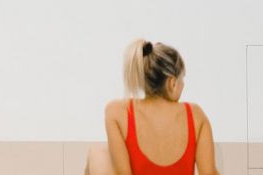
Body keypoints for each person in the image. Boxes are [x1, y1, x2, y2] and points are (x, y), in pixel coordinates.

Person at [86, 39, 220, 175]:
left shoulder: (117, 111)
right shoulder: (195, 115)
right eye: (182, 79)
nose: (183, 85)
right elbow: (209, 173)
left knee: (98, 154)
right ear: (172, 83)